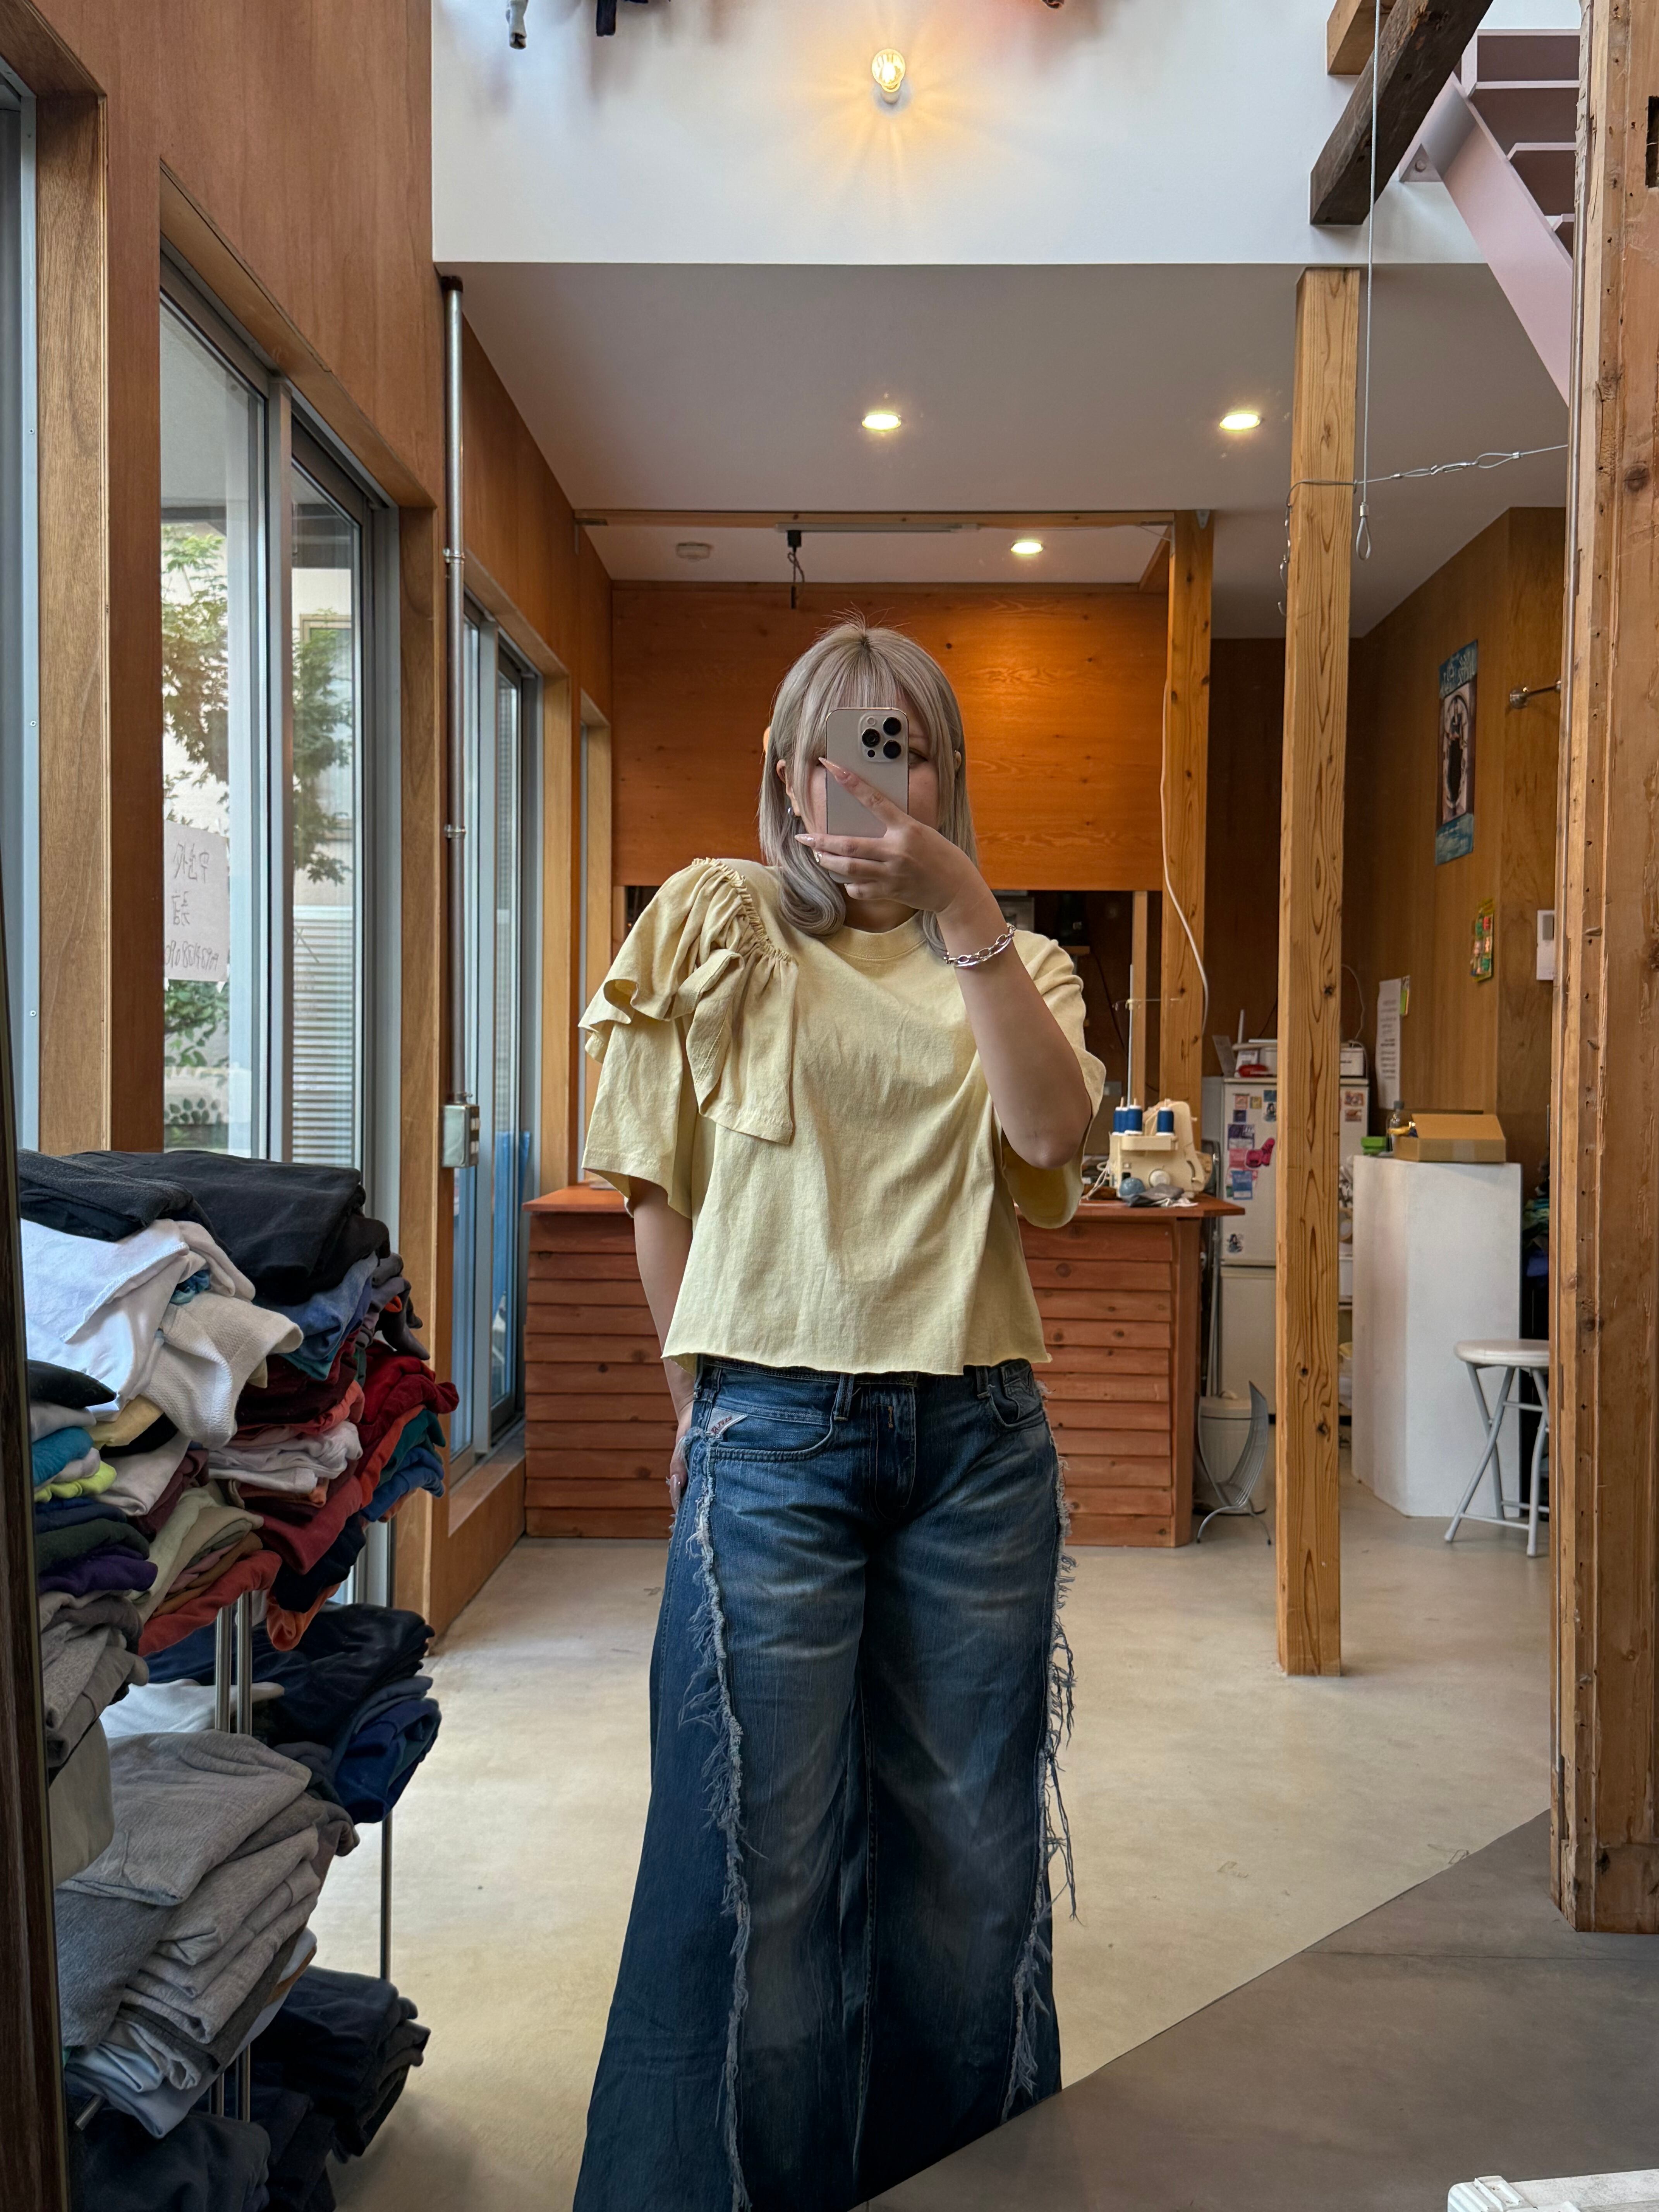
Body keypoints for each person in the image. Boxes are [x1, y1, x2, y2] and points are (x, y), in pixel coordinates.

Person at [572, 618, 1105, 2212]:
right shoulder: (715, 918)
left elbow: (1052, 1141)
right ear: (783, 773)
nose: (874, 782)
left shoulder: (1014, 958)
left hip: (977, 1446)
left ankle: (954, 2183)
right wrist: (694, 1394)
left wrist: (963, 910)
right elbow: (654, 1185)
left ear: (949, 774)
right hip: (769, 1434)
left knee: (970, 1868)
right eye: (842, 749)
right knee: (757, 1864)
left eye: (906, 750)